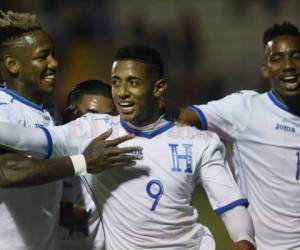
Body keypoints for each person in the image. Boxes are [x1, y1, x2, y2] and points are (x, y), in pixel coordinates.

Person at [0, 44, 256, 250]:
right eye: (116, 82)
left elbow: (230, 203)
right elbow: (29, 139)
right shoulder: (93, 129)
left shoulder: (198, 142)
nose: (121, 92)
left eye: (132, 82)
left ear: (158, 88)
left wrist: (244, 240)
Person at [0, 10, 141, 250]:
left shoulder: (47, 112)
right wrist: (83, 162)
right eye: (42, 57)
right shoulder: (4, 110)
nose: (54, 63)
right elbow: (7, 171)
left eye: (53, 54)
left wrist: (60, 207)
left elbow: (41, 175)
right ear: (13, 64)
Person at [177, 22, 300, 249]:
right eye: (277, 59)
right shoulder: (245, 109)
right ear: (265, 69)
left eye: (296, 56)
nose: (288, 65)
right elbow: (184, 116)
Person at [56, 80, 117, 250]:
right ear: (70, 115)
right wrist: (55, 211)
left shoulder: (117, 159)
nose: (100, 127)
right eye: (90, 116)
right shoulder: (49, 154)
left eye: (108, 118)